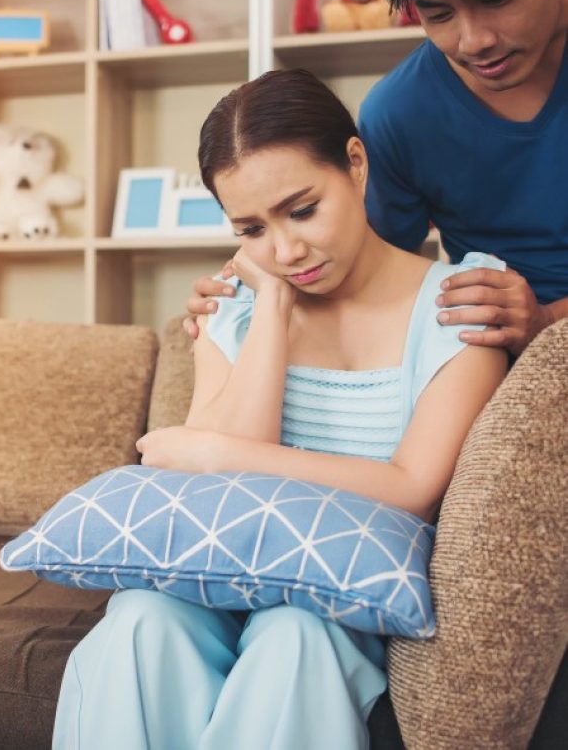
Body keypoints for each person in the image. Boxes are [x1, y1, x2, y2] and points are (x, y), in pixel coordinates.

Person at [52, 69, 507, 750]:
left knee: (296, 634)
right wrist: (271, 305)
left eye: (302, 209)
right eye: (252, 228)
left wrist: (214, 452)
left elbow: (410, 492)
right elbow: (215, 500)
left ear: (355, 165)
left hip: (343, 597)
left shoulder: (458, 305)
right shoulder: (234, 308)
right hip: (220, 579)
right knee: (140, 620)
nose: (287, 250)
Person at [185, 0, 568, 357]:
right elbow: (366, 277)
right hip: (496, 351)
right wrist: (238, 302)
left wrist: (547, 321)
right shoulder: (399, 113)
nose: (474, 40)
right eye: (439, 13)